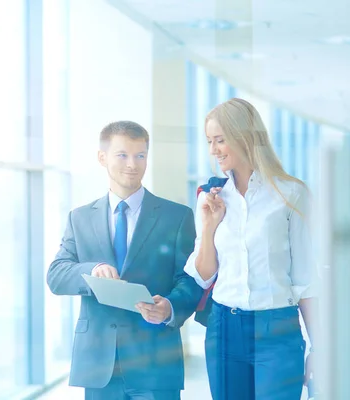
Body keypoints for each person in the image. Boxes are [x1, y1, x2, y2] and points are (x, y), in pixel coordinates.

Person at [47, 121, 203, 400]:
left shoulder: (176, 217)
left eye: (140, 155)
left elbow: (190, 280)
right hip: (98, 364)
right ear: (102, 157)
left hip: (154, 361)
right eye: (122, 155)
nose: (132, 164)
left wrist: (169, 307)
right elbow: (57, 275)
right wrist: (92, 270)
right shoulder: (80, 218)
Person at [184, 98, 318, 400]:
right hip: (224, 328)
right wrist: (208, 226)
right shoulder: (211, 197)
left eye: (220, 140)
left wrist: (319, 348)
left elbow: (306, 279)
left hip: (277, 329)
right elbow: (204, 275)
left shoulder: (290, 193)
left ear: (245, 136)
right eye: (209, 141)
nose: (213, 150)